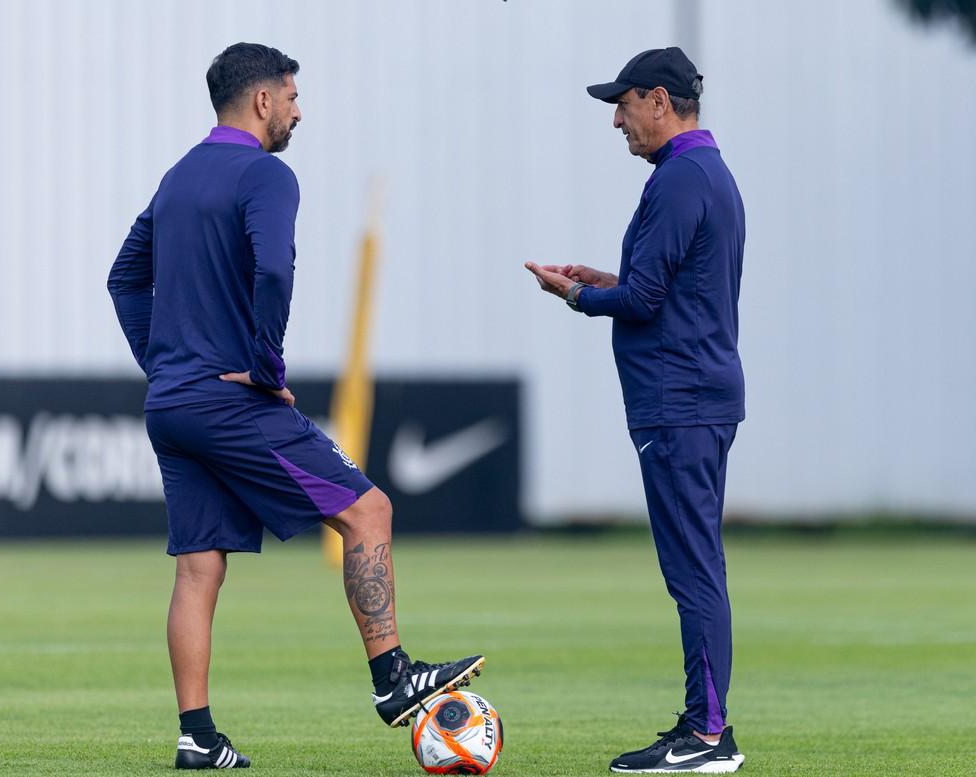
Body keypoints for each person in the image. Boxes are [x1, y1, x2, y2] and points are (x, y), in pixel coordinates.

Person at [107, 42, 483, 770]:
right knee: (368, 510)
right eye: (292, 96)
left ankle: (197, 736)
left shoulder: (178, 177)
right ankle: (393, 678)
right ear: (261, 101)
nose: (298, 111)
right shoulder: (266, 173)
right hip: (229, 399)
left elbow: (124, 276)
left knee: (197, 569)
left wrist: (163, 363)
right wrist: (265, 366)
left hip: (173, 403)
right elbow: (274, 267)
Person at [525, 47, 746, 774]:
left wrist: (578, 295)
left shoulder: (681, 177)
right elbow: (667, 286)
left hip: (678, 402)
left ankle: (707, 735)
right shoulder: (703, 173)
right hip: (695, 396)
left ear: (659, 100)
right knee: (697, 565)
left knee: (692, 571)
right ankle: (706, 726)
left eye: (622, 104)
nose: (617, 119)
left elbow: (646, 302)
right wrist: (608, 277)